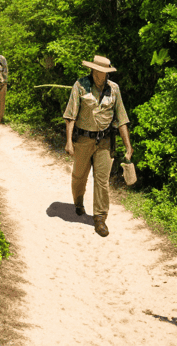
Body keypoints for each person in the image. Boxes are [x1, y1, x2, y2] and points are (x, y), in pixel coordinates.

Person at [63, 55, 132, 237]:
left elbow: (122, 119)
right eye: (103, 71)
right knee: (79, 176)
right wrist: (69, 141)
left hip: (105, 142)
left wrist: (128, 146)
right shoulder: (80, 85)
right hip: (83, 139)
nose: (105, 75)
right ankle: (78, 202)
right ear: (94, 70)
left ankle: (100, 218)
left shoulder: (114, 89)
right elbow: (70, 115)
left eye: (107, 72)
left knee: (102, 181)